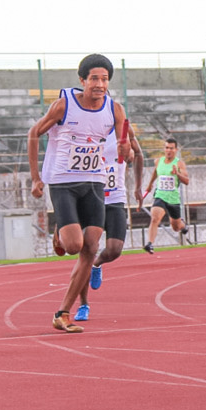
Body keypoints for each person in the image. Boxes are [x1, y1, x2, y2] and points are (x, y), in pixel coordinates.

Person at [28, 54, 131, 333]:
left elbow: (126, 143)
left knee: (90, 248)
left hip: (95, 184)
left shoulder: (115, 109)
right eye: (94, 78)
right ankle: (62, 229)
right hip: (64, 182)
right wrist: (36, 178)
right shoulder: (64, 105)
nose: (99, 84)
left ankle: (63, 313)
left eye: (105, 79)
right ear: (82, 80)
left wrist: (126, 150)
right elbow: (34, 133)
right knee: (72, 246)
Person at [72, 123, 143, 321]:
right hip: (92, 198)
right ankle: (83, 305)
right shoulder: (85, 129)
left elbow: (138, 155)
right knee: (86, 251)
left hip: (115, 199)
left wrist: (138, 186)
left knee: (114, 250)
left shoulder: (124, 129)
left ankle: (97, 265)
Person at [141, 137, 190, 254]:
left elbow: (187, 181)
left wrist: (177, 173)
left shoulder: (179, 164)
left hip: (173, 199)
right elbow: (155, 172)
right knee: (154, 218)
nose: (169, 150)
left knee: (176, 227)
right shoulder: (158, 161)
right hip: (160, 195)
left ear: (176, 150)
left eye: (171, 148)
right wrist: (150, 184)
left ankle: (183, 225)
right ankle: (150, 244)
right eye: (167, 148)